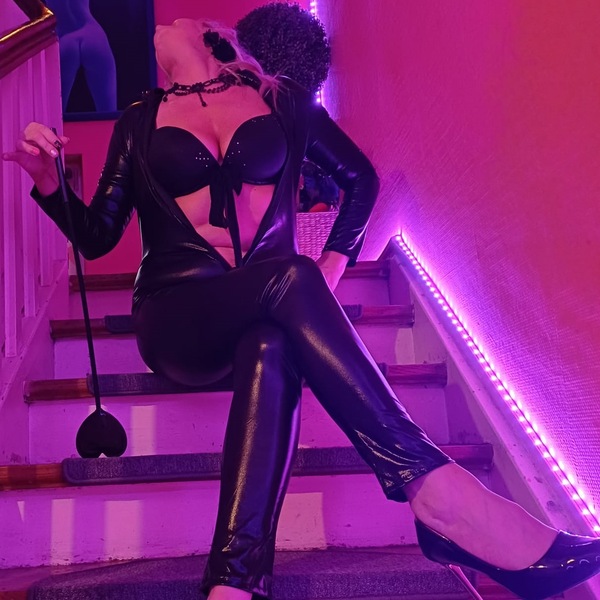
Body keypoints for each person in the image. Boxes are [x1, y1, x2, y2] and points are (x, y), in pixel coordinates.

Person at [4, 9, 600, 600]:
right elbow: (97, 236)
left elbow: (359, 178)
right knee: (291, 279)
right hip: (177, 313)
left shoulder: (281, 101)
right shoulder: (139, 120)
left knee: (272, 344)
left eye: (180, 15)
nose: (165, 19)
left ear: (209, 35)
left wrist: (334, 265)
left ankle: (234, 584)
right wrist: (48, 180)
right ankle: (437, 491)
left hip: (270, 303)